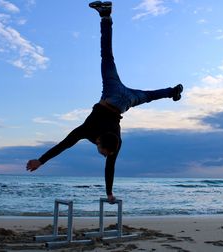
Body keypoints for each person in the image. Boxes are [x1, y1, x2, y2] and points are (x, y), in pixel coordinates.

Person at [26, 1, 183, 203]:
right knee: (107, 57)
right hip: (113, 94)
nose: (104, 155)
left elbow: (73, 149)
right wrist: (41, 161)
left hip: (125, 102)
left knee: (148, 95)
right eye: (105, 153)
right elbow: (67, 146)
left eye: (104, 153)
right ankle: (105, 17)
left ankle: (173, 91)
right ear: (100, 142)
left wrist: (41, 161)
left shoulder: (114, 142)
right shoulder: (91, 132)